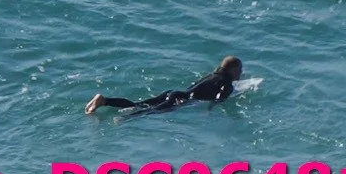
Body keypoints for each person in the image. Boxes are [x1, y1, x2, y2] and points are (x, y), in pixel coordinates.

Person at [86, 56, 242, 115]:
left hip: (174, 93)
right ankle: (125, 119)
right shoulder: (226, 83)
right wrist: (210, 110)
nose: (240, 74)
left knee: (139, 104)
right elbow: (220, 98)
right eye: (239, 70)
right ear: (233, 70)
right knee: (148, 112)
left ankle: (105, 100)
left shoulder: (212, 75)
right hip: (180, 100)